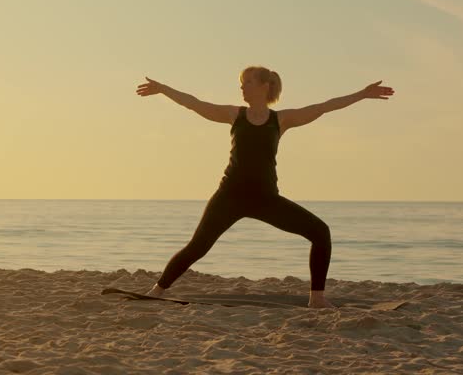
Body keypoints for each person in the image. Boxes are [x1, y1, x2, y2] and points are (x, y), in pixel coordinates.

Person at [135, 66, 395, 308]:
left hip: (266, 199)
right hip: (229, 196)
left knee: (320, 232)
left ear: (264, 86)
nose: (242, 87)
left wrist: (363, 94)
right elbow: (194, 104)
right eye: (241, 83)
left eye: (247, 82)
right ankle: (158, 290)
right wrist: (163, 89)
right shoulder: (234, 114)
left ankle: (316, 299)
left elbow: (324, 107)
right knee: (198, 247)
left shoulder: (281, 120)